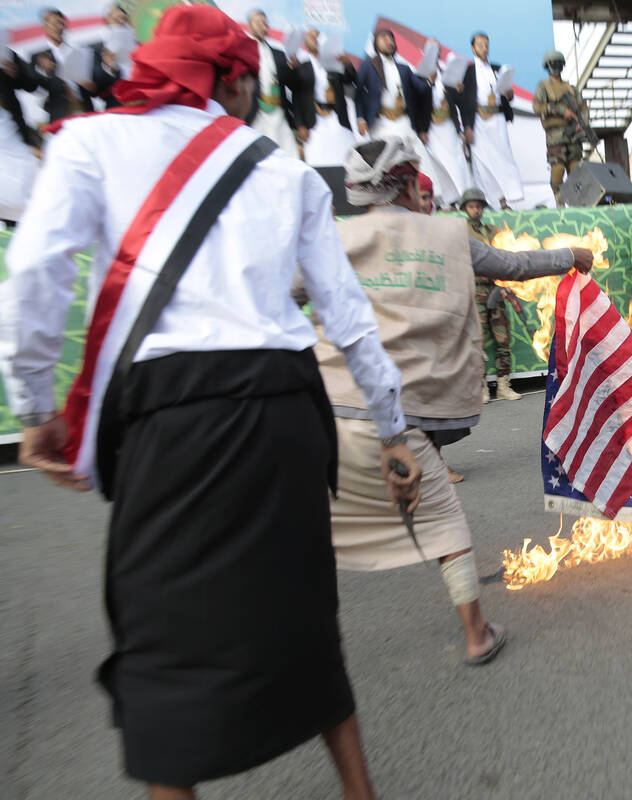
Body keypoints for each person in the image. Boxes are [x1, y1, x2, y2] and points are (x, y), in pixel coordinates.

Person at [0, 8, 423, 799]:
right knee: (303, 621)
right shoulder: (283, 169)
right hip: (284, 412)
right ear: (230, 80)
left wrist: (33, 407)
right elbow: (345, 310)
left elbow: (34, 276)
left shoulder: (89, 142)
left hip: (174, 419)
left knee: (167, 648)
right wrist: (393, 428)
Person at [311, 137, 592, 663]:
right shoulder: (447, 235)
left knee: (311, 524)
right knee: (445, 522)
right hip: (399, 415)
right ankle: (476, 634)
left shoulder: (330, 240)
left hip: (327, 407)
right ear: (410, 180)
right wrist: (569, 257)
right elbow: (512, 265)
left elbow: (286, 292)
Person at [461, 187, 520, 401]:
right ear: (465, 208)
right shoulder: (461, 231)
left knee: (502, 337)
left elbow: (505, 255)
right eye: (472, 206)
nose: (476, 210)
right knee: (477, 338)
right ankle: (482, 387)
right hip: (475, 288)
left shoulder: (493, 230)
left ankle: (504, 385)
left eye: (478, 206)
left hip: (495, 288)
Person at [459, 32, 524, 209]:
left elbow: (506, 96)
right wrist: (467, 127)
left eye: (486, 44)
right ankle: (495, 200)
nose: (484, 47)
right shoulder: (467, 72)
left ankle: (509, 198)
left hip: (497, 120)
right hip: (478, 122)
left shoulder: (497, 69)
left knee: (503, 158)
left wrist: (509, 95)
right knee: (483, 162)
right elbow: (464, 102)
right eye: (480, 44)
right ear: (472, 48)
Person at [292, 28, 358, 168]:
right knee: (318, 161)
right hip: (314, 120)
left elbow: (350, 79)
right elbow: (297, 98)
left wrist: (347, 63)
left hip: (337, 117)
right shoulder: (301, 67)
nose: (315, 39)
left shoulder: (334, 62)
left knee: (347, 159)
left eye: (318, 36)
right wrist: (300, 125)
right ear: (305, 42)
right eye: (311, 37)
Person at [534, 50, 588, 203]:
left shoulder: (571, 89)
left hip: (574, 135)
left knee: (576, 171)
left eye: (559, 63)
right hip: (555, 136)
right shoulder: (543, 88)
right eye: (553, 64)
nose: (556, 67)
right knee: (558, 170)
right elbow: (537, 108)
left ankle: (577, 202)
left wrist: (582, 124)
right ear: (547, 66)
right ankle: (559, 201)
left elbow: (583, 108)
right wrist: (561, 110)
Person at [246, 9, 299, 157]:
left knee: (289, 156)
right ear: (249, 26)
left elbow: (287, 82)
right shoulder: (244, 51)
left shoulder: (279, 53)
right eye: (258, 23)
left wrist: (291, 68)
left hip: (279, 113)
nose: (263, 27)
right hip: (257, 114)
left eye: (265, 23)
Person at [425, 53, 474, 206]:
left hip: (449, 127)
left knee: (457, 162)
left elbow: (461, 102)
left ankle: (465, 198)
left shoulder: (448, 75)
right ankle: (448, 201)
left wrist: (459, 90)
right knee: (438, 164)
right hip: (431, 130)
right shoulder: (419, 76)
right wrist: (429, 82)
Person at [30, 8, 94, 123]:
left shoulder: (80, 52)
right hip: (60, 116)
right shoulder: (38, 57)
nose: (58, 27)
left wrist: (90, 84)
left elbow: (94, 87)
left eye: (60, 23)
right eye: (53, 23)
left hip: (85, 112)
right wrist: (44, 72)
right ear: (44, 27)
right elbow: (36, 90)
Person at [0, 50, 41, 223]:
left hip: (11, 125)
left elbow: (31, 84)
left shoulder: (6, 53)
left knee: (21, 174)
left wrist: (16, 73)